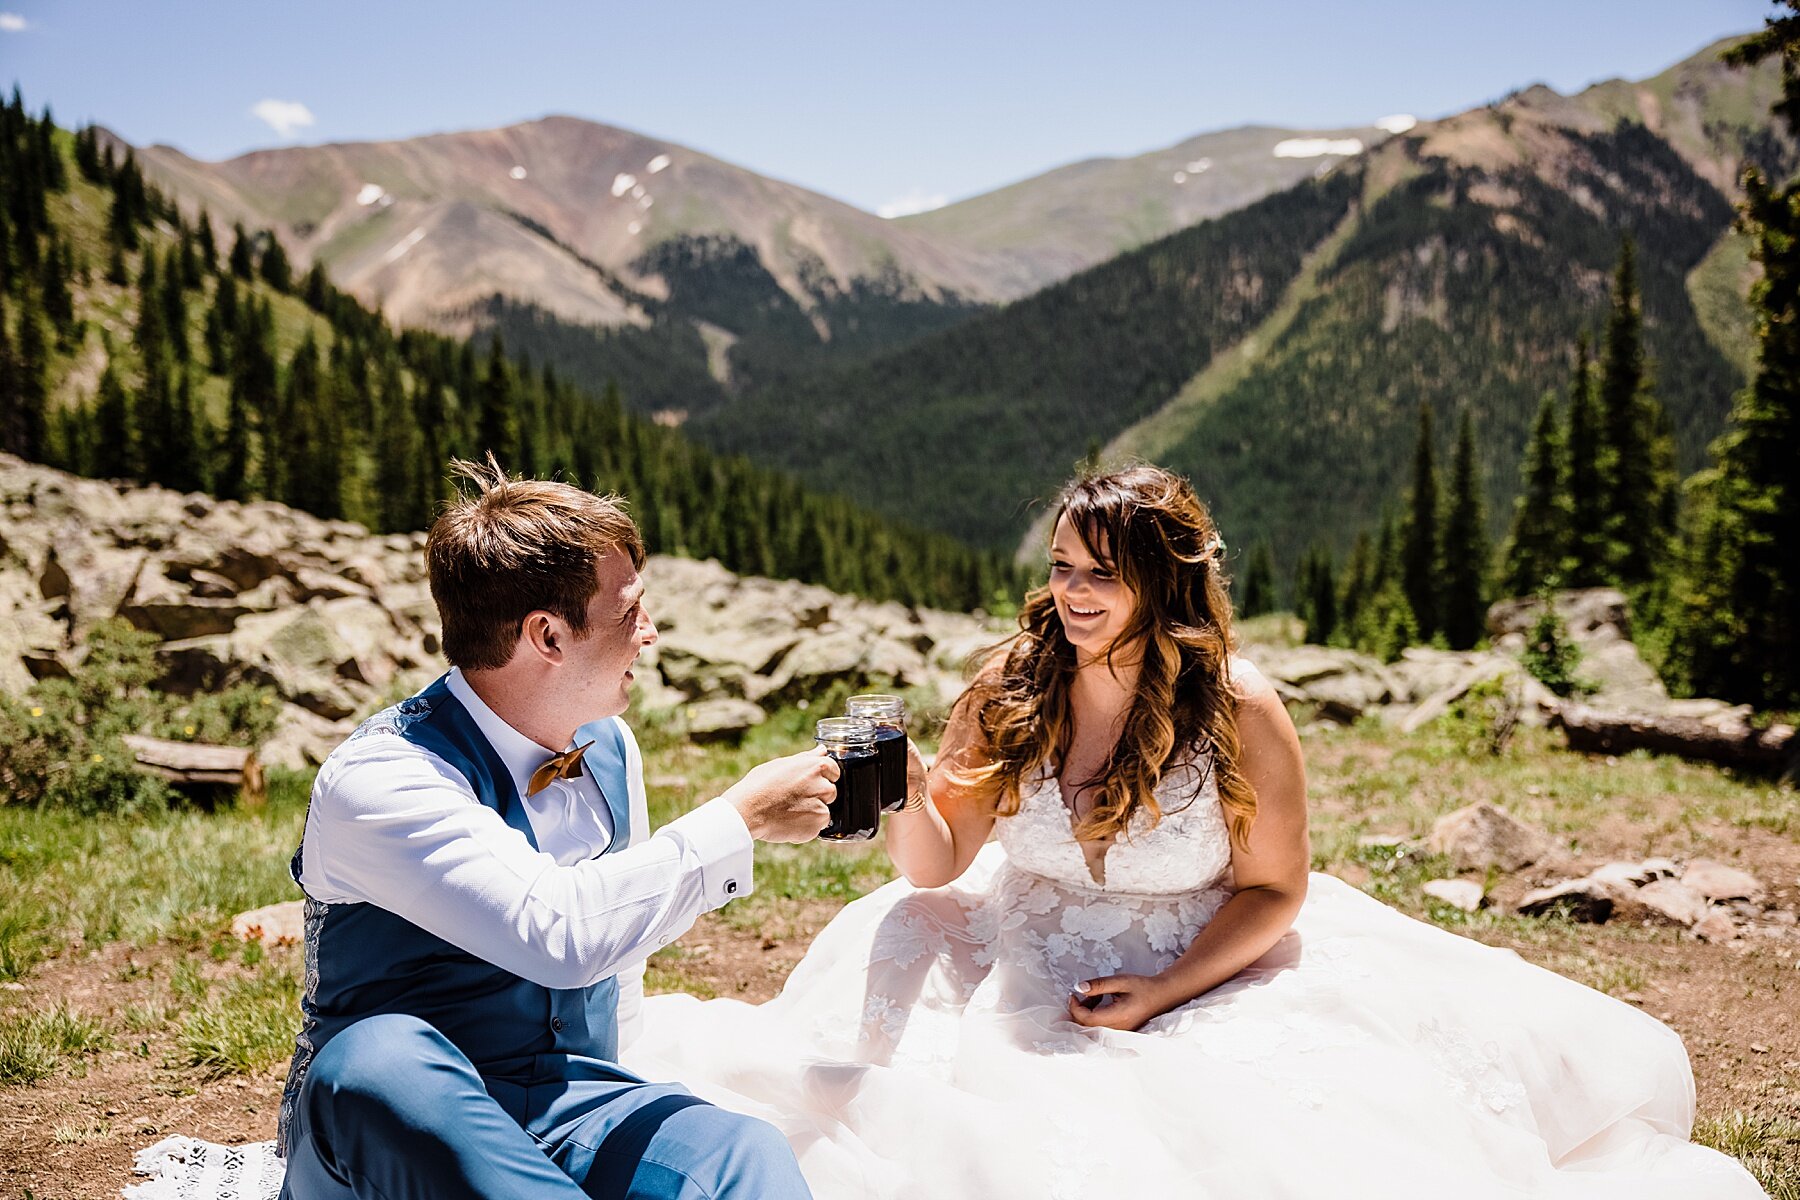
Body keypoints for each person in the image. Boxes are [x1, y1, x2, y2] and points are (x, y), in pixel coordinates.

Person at [621, 465, 1764, 1199]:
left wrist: (1161, 994)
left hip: (1200, 960)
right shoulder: (1007, 689)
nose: (1072, 595)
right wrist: (912, 797)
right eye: (1062, 570)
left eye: (1101, 575)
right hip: (1008, 953)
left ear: (1162, 581)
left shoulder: (1239, 712)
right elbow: (935, 868)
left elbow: (1273, 893)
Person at [278, 458, 833, 1200]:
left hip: (564, 1105)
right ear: (546, 635)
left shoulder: (608, 745)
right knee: (379, 1060)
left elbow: (615, 968)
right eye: (631, 611)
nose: (652, 634)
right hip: (400, 1131)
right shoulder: (379, 778)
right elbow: (560, 932)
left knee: (740, 1150)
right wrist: (742, 819)